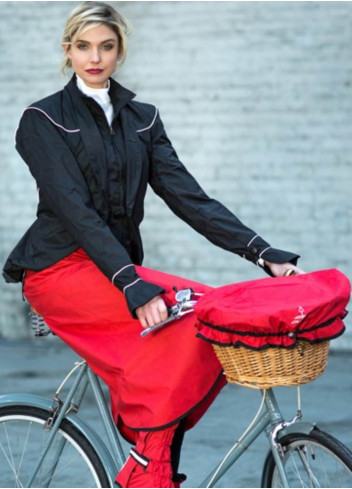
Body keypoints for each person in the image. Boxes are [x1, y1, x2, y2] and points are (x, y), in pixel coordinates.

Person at [2, 2, 303, 487]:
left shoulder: (142, 119)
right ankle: (149, 467)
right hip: (59, 268)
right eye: (83, 46)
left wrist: (261, 251)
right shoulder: (43, 119)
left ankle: (154, 462)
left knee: (208, 313)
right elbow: (73, 210)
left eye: (105, 46)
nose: (94, 57)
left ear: (120, 52)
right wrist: (131, 285)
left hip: (115, 268)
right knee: (183, 323)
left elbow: (189, 198)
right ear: (68, 51)